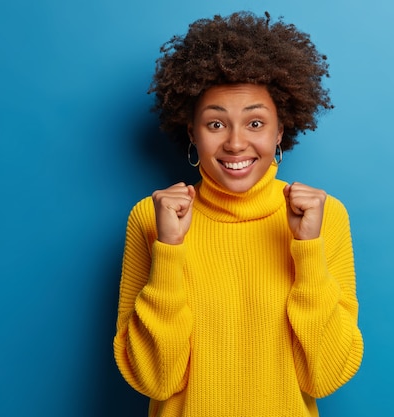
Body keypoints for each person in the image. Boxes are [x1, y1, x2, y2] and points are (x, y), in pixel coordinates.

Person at [113, 11, 363, 416]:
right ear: (192, 131)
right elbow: (154, 380)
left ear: (280, 130)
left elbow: (326, 376)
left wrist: (307, 251)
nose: (235, 143)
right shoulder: (152, 218)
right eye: (215, 124)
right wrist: (169, 250)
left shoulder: (324, 216)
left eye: (255, 123)